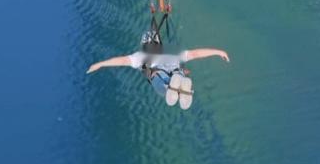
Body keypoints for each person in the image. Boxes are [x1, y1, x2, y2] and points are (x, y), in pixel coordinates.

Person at [87, 31, 230, 110]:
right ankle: (181, 85)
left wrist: (100, 64)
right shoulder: (172, 51)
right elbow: (195, 54)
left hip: (158, 77)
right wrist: (218, 52)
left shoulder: (141, 56)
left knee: (157, 78)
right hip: (175, 71)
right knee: (177, 74)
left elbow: (122, 61)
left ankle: (171, 88)